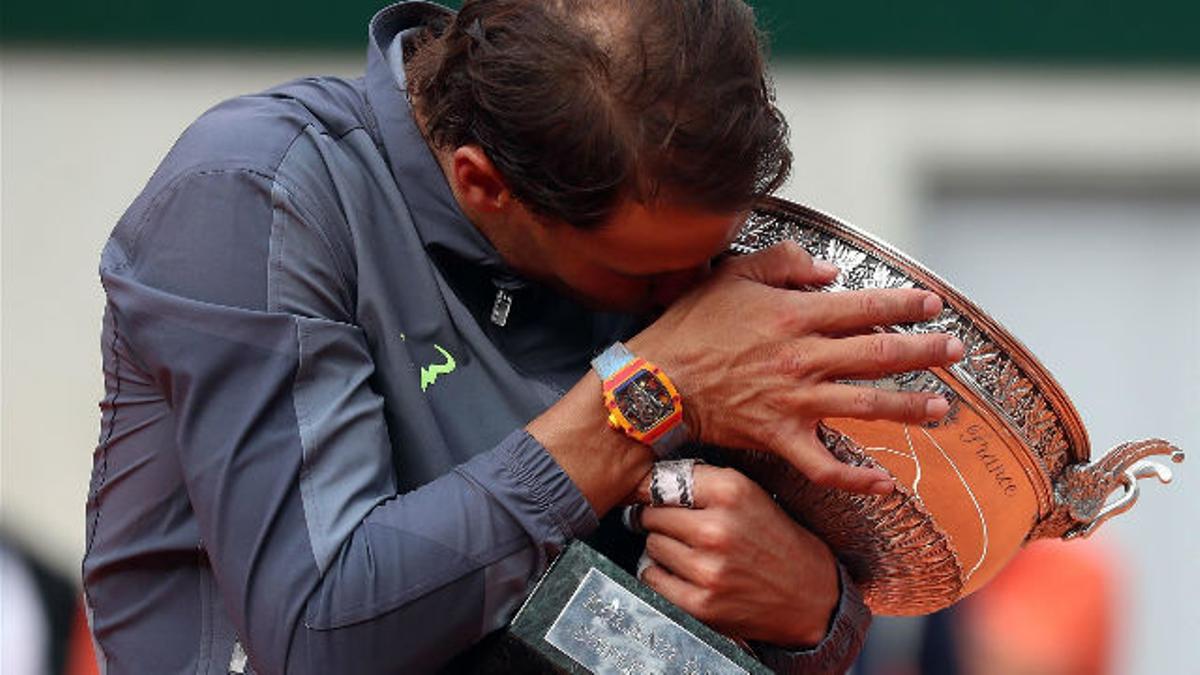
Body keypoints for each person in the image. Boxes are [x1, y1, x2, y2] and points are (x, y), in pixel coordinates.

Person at [83, 1, 962, 673]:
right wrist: (649, 392)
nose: (691, 302)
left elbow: (776, 619)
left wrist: (814, 610)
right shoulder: (257, 190)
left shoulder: (657, 230)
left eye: (702, 267)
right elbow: (321, 626)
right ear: (483, 183)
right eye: (642, 277)